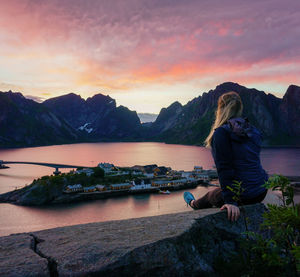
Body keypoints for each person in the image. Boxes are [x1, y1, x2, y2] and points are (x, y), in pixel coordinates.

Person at [183, 91, 269, 221]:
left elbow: (225, 168)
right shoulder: (252, 130)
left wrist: (231, 201)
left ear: (220, 109)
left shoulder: (221, 133)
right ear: (240, 108)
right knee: (219, 190)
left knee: (210, 196)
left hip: (244, 195)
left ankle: (192, 204)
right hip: (261, 190)